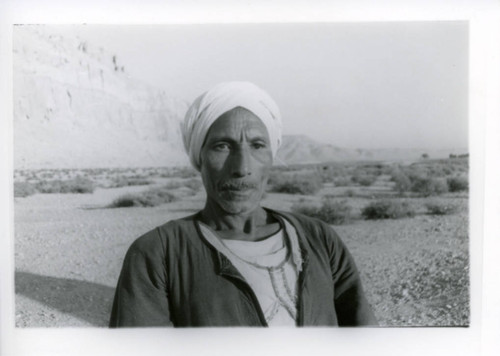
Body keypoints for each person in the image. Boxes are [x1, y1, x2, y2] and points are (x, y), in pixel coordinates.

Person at [109, 82, 377, 327]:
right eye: (222, 146)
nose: (241, 168)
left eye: (258, 145)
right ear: (198, 157)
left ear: (272, 156)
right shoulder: (158, 254)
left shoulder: (320, 239)